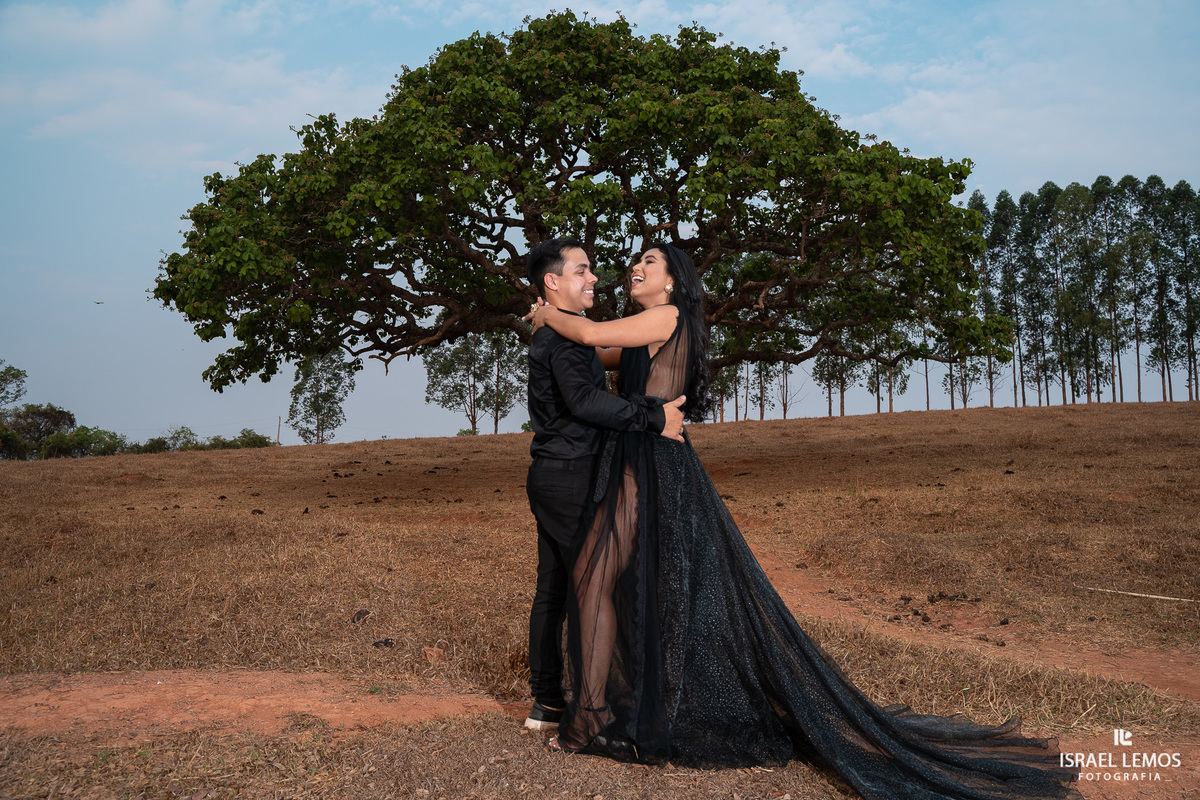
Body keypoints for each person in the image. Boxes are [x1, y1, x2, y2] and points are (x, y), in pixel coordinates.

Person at [526, 242, 1081, 800]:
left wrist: (551, 313)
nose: (634, 268)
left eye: (649, 262)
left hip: (652, 462)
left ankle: (597, 715)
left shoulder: (665, 316)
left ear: (672, 281)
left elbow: (592, 337)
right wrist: (555, 331)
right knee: (614, 582)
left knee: (604, 581)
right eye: (635, 262)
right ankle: (604, 709)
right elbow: (588, 355)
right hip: (641, 457)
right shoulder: (646, 327)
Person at [522, 238, 686, 734]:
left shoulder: (586, 334)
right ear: (554, 281)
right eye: (582, 271)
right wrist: (652, 416)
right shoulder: (566, 341)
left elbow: (601, 342)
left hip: (557, 470)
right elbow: (587, 402)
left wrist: (549, 315)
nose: (595, 278)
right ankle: (598, 703)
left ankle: (549, 700)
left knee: (556, 587)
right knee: (594, 586)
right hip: (571, 472)